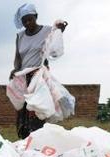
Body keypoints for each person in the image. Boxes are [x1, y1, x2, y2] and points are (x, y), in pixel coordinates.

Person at [10, 3, 68, 139]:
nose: (27, 23)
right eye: (24, 21)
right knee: (23, 112)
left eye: (30, 19)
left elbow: (55, 45)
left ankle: (37, 140)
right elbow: (18, 57)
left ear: (36, 17)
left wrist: (60, 30)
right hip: (24, 79)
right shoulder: (20, 36)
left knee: (37, 110)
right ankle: (25, 140)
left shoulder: (47, 31)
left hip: (39, 78)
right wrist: (15, 69)